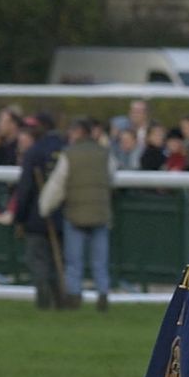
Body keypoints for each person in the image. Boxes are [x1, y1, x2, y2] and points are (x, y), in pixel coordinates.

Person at [39, 118, 115, 311]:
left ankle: (74, 296)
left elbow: (57, 184)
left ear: (78, 133)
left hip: (75, 214)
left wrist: (45, 206)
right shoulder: (105, 154)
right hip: (100, 213)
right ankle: (103, 294)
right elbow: (111, 177)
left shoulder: (69, 154)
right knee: (100, 261)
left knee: (74, 261)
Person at [13, 117, 66, 309]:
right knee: (56, 259)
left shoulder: (33, 153)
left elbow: (24, 190)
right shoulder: (65, 148)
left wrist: (19, 218)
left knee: (39, 261)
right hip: (62, 216)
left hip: (36, 218)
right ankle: (59, 300)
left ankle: (45, 301)